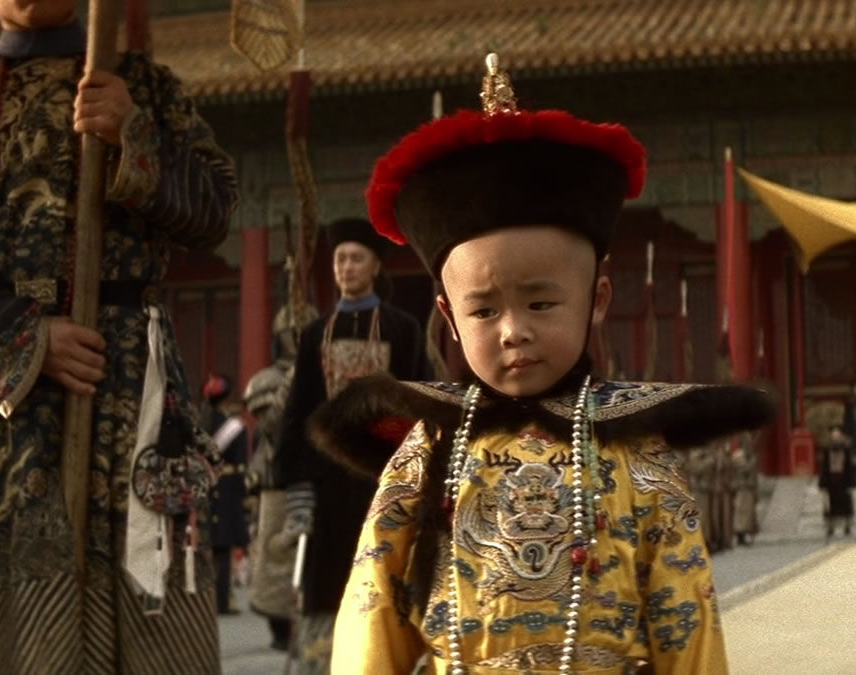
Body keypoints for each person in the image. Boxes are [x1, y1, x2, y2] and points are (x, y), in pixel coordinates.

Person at [308, 53, 774, 674]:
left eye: (541, 303)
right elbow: (372, 611)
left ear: (597, 300)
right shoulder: (430, 450)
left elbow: (687, 620)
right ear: (448, 317)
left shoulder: (636, 453)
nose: (514, 331)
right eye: (483, 311)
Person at [0, 1, 237, 672]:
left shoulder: (145, 84)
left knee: (147, 588)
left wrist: (131, 134)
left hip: (131, 387)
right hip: (1, 398)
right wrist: (26, 335)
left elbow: (214, 212)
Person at [275, 217, 431, 672]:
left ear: (375, 266)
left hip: (384, 474)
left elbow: (418, 397)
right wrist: (296, 483)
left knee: (387, 572)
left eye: (355, 258)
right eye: (339, 259)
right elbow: (299, 409)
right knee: (325, 584)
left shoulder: (403, 329)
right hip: (327, 481)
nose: (345, 266)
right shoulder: (315, 333)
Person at [243, 304, 317, 651]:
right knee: (276, 554)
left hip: (318, 475)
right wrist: (294, 380)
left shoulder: (324, 372)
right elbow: (274, 425)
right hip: (278, 478)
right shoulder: (268, 381)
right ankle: (280, 630)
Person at [203, 373, 250, 615]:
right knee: (224, 547)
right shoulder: (235, 428)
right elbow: (241, 465)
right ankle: (223, 599)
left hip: (205, 487)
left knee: (207, 545)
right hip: (229, 489)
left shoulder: (200, 423)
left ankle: (206, 598)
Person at [818, 426, 856, 540]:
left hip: (843, 481)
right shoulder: (827, 450)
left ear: (841, 437)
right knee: (830, 506)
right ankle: (830, 527)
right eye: (834, 436)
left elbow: (850, 467)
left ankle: (847, 527)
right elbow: (824, 468)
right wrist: (823, 483)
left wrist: (851, 482)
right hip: (831, 481)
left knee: (846, 505)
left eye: (837, 436)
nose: (835, 438)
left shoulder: (846, 450)